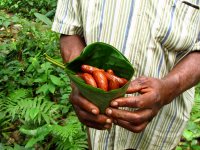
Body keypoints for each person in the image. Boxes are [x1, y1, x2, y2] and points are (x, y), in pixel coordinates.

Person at [52, 1, 200, 150]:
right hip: (98, 130)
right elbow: (69, 29)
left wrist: (170, 87)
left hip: (159, 132)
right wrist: (82, 83)